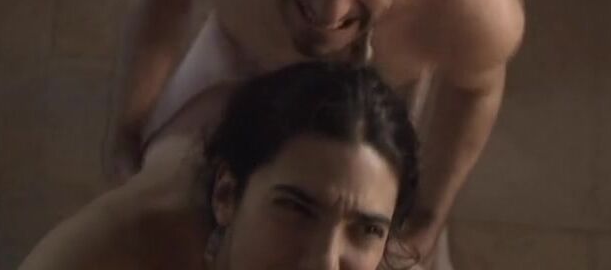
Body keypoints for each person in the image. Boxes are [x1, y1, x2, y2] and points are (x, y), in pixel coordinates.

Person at [109, 0, 525, 267]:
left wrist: (428, 218)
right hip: (237, 64)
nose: (330, 9)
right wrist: (127, 133)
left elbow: (477, 89)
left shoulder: (477, 4)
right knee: (143, 220)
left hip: (376, 100)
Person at [21, 62, 419, 270]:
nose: (324, 263)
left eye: (367, 230)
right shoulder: (109, 252)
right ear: (226, 195)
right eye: (297, 209)